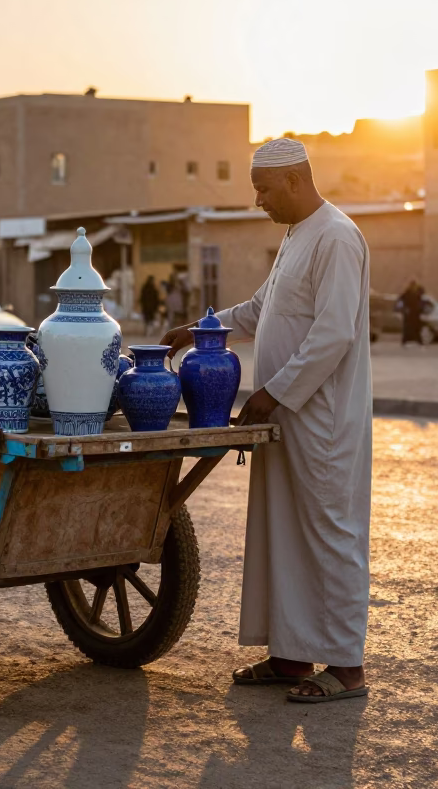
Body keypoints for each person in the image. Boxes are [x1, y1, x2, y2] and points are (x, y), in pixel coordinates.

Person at [162, 137, 372, 704]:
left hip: (321, 421)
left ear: (297, 181)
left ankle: (347, 668)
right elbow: (260, 310)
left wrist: (274, 391)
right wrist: (201, 330)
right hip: (288, 418)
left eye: (264, 190)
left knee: (329, 534)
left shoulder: (337, 237)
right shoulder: (296, 236)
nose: (259, 201)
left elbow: (334, 333)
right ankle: (291, 656)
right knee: (282, 532)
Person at [397, 279, 426, 347]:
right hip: (409, 313)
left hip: (415, 313)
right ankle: (404, 341)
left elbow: (422, 295)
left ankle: (419, 341)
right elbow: (401, 300)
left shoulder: (417, 293)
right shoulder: (407, 293)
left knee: (416, 328)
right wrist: (404, 309)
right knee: (407, 329)